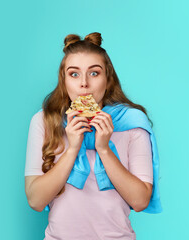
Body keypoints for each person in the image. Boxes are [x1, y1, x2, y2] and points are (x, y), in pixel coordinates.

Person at [24, 32, 162, 240]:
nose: (84, 84)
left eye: (94, 73)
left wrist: (104, 149)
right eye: (74, 74)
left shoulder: (132, 123)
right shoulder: (45, 121)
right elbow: (35, 200)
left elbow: (140, 201)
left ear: (108, 78)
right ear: (64, 81)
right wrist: (72, 149)